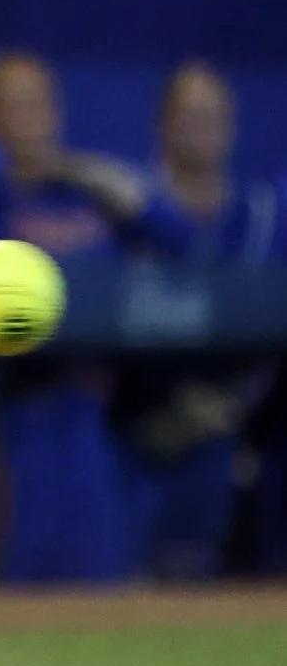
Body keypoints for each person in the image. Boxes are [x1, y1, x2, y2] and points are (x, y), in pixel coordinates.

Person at [0, 50, 146, 583]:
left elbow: (173, 238)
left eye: (38, 102)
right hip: (13, 413)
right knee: (16, 581)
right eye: (14, 104)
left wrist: (85, 172)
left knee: (98, 581)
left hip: (89, 410)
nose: (31, 117)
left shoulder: (81, 192)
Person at [112, 62, 278, 578]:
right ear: (163, 123)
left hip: (223, 434)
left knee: (199, 580)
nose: (202, 126)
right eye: (189, 115)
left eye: (214, 114)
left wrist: (230, 408)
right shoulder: (128, 206)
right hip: (137, 433)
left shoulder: (263, 214)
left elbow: (268, 332)